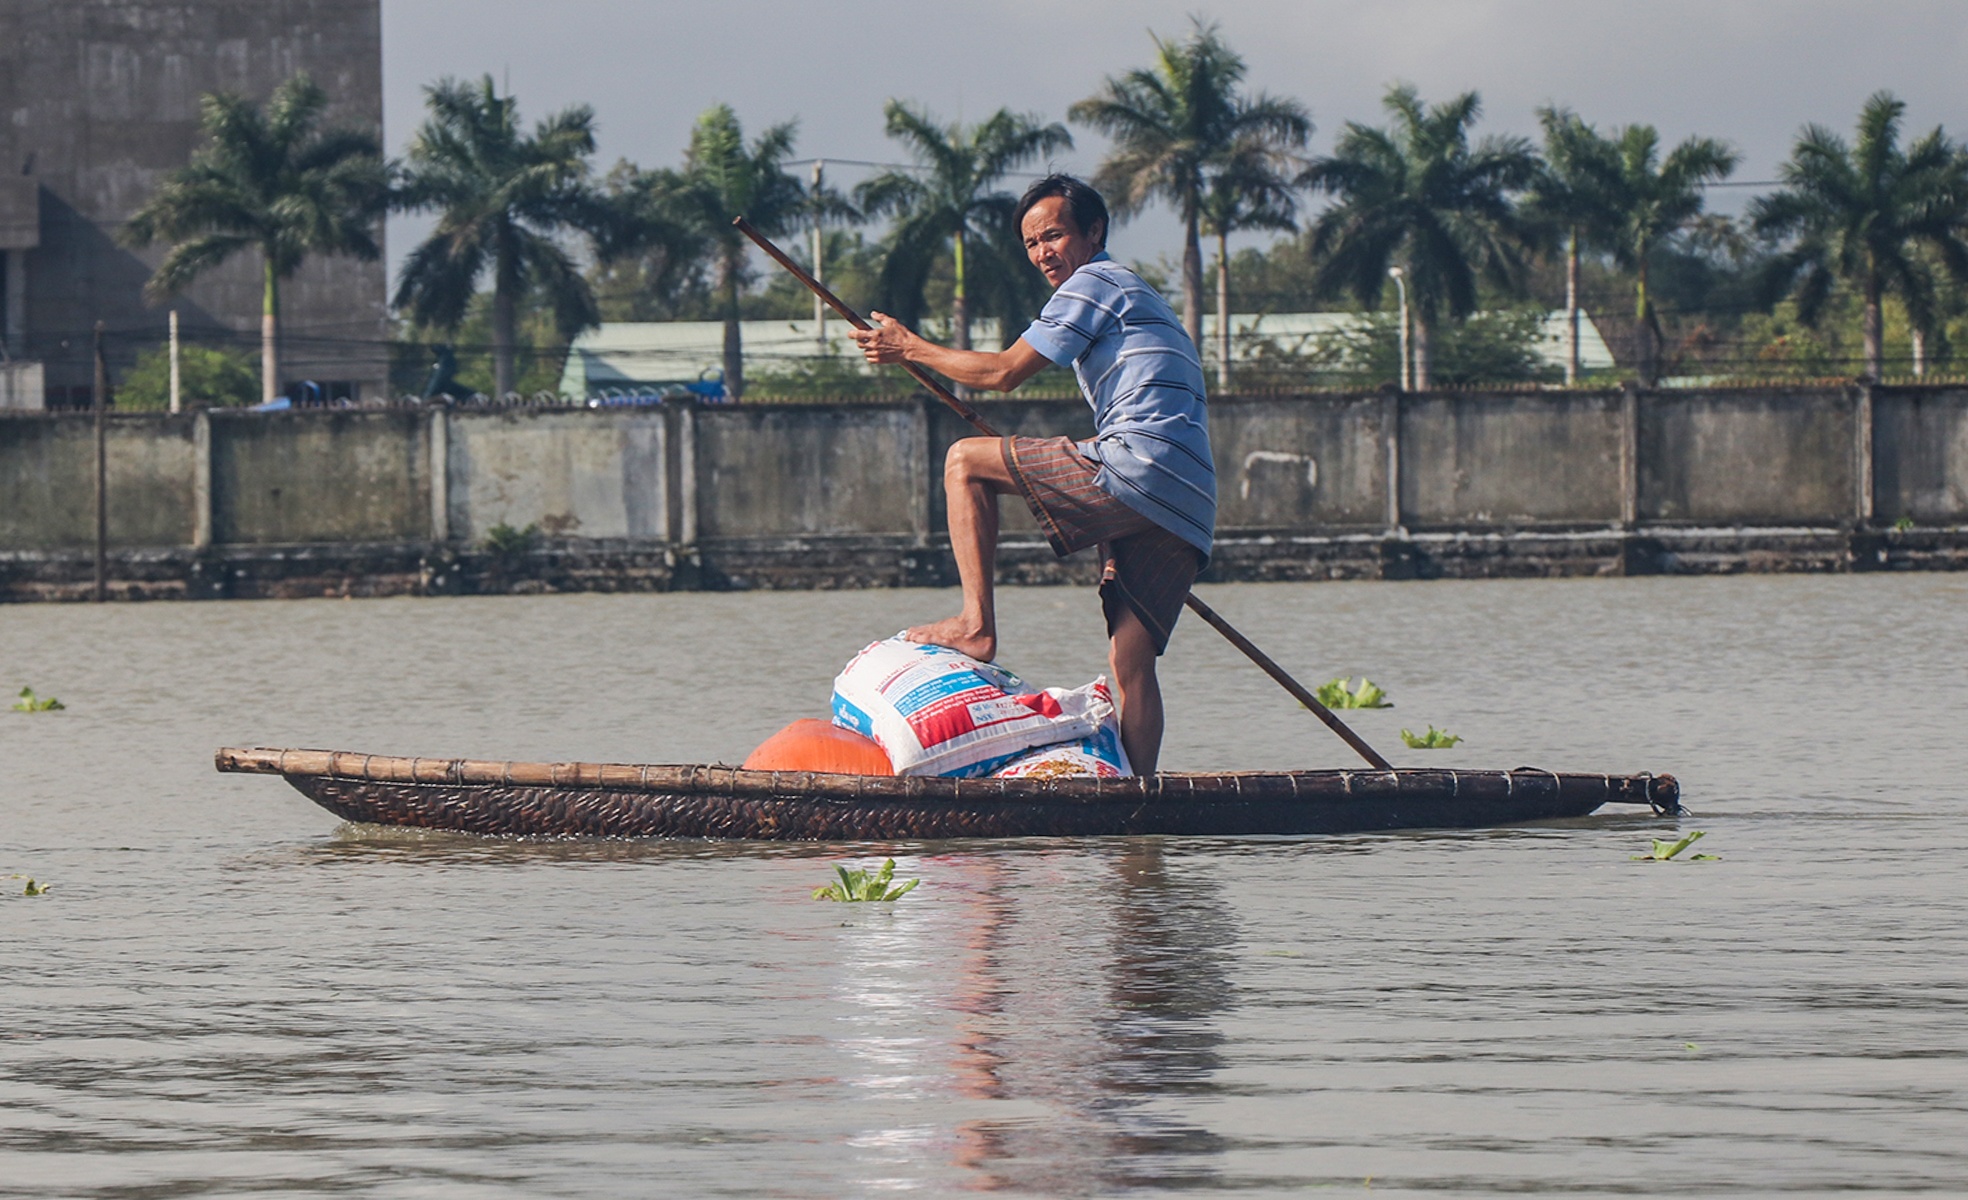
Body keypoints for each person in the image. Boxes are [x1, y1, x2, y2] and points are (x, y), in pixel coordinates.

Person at [850, 174, 1214, 775]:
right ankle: (1138, 805)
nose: (1044, 253)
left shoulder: (1096, 279)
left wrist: (908, 347)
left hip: (1141, 465)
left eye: (1054, 236)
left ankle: (974, 625)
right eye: (1032, 244)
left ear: (1093, 233)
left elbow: (1003, 372)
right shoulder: (1134, 293)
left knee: (964, 461)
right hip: (1189, 500)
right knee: (1132, 662)